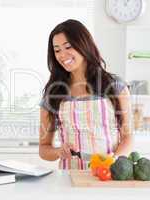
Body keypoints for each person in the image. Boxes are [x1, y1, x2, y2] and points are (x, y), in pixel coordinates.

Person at [39, 19, 133, 170]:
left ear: (84, 45)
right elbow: (43, 149)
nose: (62, 55)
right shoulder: (54, 93)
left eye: (68, 47)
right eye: (57, 50)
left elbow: (127, 138)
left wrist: (113, 162)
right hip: (69, 177)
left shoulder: (115, 86)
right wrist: (58, 151)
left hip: (108, 175)